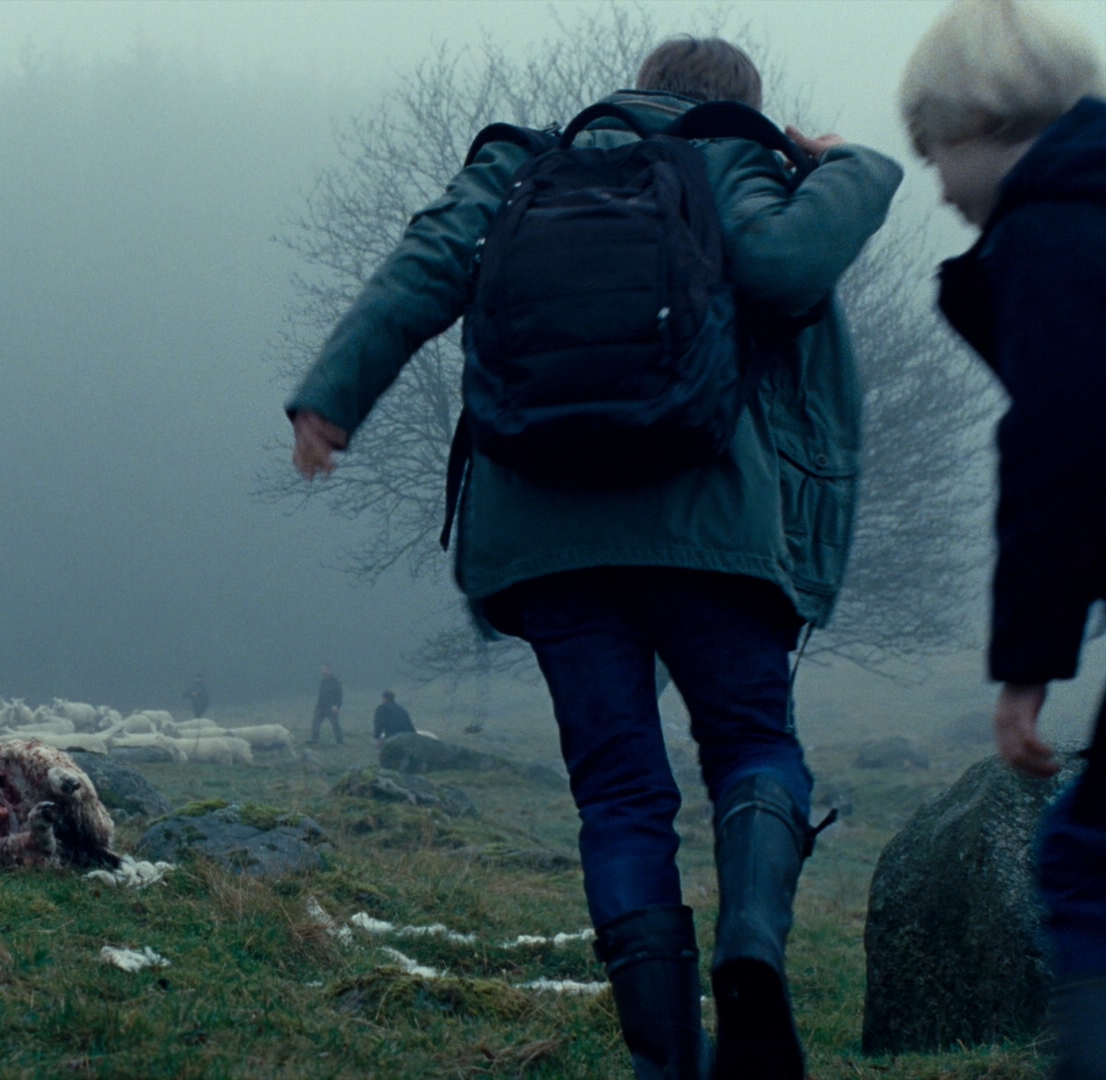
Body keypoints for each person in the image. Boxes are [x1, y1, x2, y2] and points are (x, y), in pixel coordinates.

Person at [287, 36, 901, 1080]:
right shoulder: (728, 157)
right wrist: (850, 166)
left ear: (639, 89)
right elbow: (789, 265)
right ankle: (750, 948)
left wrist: (329, 400)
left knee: (618, 795)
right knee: (752, 745)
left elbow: (426, 263)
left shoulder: (525, 167)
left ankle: (667, 1061)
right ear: (741, 103)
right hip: (712, 527)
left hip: (548, 539)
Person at [901, 5, 1104, 1076]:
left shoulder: (1056, 232)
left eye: (932, 150)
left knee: (1090, 864)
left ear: (981, 122)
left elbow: (1060, 445)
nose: (937, 187)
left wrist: (1027, 666)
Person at [312, 665, 345, 745]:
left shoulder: (335, 682)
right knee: (316, 723)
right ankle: (314, 739)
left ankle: (340, 741)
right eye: (322, 669)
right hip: (322, 707)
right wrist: (317, 706)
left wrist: (336, 705)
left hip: (331, 707)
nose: (322, 671)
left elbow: (339, 694)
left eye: (324, 669)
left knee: (335, 725)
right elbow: (320, 695)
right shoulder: (323, 682)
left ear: (329, 670)